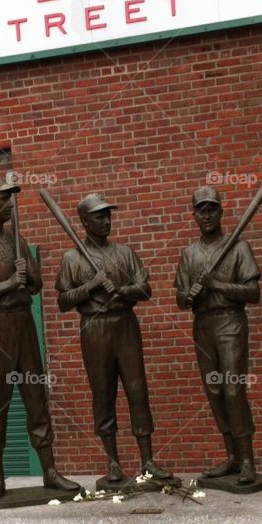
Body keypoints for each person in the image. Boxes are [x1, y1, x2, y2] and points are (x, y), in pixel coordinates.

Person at [0, 174, 80, 503]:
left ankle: (49, 470)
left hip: (24, 325)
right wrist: (8, 284)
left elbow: (36, 286)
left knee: (37, 397)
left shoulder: (18, 241)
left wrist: (30, 275)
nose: (9, 204)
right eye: (2, 197)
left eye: (10, 197)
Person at [54, 193, 172, 489]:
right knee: (103, 393)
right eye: (99, 216)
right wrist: (91, 286)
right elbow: (63, 301)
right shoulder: (72, 258)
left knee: (137, 390)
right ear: (84, 221)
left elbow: (145, 290)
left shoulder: (125, 253)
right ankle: (113, 465)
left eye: (108, 215)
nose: (106, 220)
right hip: (95, 328)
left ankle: (147, 462)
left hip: (125, 325)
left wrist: (123, 290)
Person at [175, 186, 261, 487]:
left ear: (221, 212)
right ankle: (232, 456)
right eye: (201, 209)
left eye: (212, 208)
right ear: (194, 214)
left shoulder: (238, 248)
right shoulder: (189, 254)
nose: (207, 214)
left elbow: (253, 293)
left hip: (230, 322)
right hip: (203, 325)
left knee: (233, 389)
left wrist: (218, 284)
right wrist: (189, 296)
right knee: (214, 391)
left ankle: (248, 458)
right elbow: (180, 298)